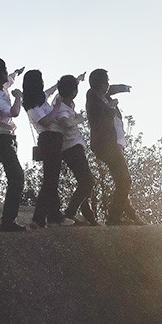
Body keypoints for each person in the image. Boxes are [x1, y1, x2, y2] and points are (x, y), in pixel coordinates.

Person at [86, 68, 144, 226]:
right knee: (125, 180)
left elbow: (112, 89)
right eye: (106, 82)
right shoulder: (93, 97)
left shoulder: (103, 95)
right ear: (100, 84)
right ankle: (114, 218)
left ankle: (129, 214)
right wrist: (110, 107)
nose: (108, 86)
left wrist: (123, 88)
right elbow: (98, 116)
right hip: (106, 145)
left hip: (114, 144)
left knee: (121, 181)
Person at [22, 70, 77, 228]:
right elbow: (46, 121)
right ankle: (38, 218)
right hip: (49, 139)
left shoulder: (40, 99)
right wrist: (57, 107)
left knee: (52, 180)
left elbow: (51, 90)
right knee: (50, 181)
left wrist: (72, 81)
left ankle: (54, 216)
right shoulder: (31, 104)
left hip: (55, 139)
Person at [0, 58, 27, 232]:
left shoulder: (0, 85)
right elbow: (14, 112)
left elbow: (11, 79)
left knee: (15, 176)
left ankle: (9, 220)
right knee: (17, 176)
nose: (7, 74)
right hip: (1, 140)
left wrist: (17, 72)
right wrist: (18, 97)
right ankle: (8, 221)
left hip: (9, 138)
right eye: (5, 70)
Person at [55, 74, 99, 226]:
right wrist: (79, 119)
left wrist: (78, 79)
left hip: (74, 146)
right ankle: (70, 212)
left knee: (84, 182)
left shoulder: (64, 103)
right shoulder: (62, 109)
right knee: (88, 182)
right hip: (71, 148)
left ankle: (88, 216)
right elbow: (65, 123)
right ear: (74, 92)